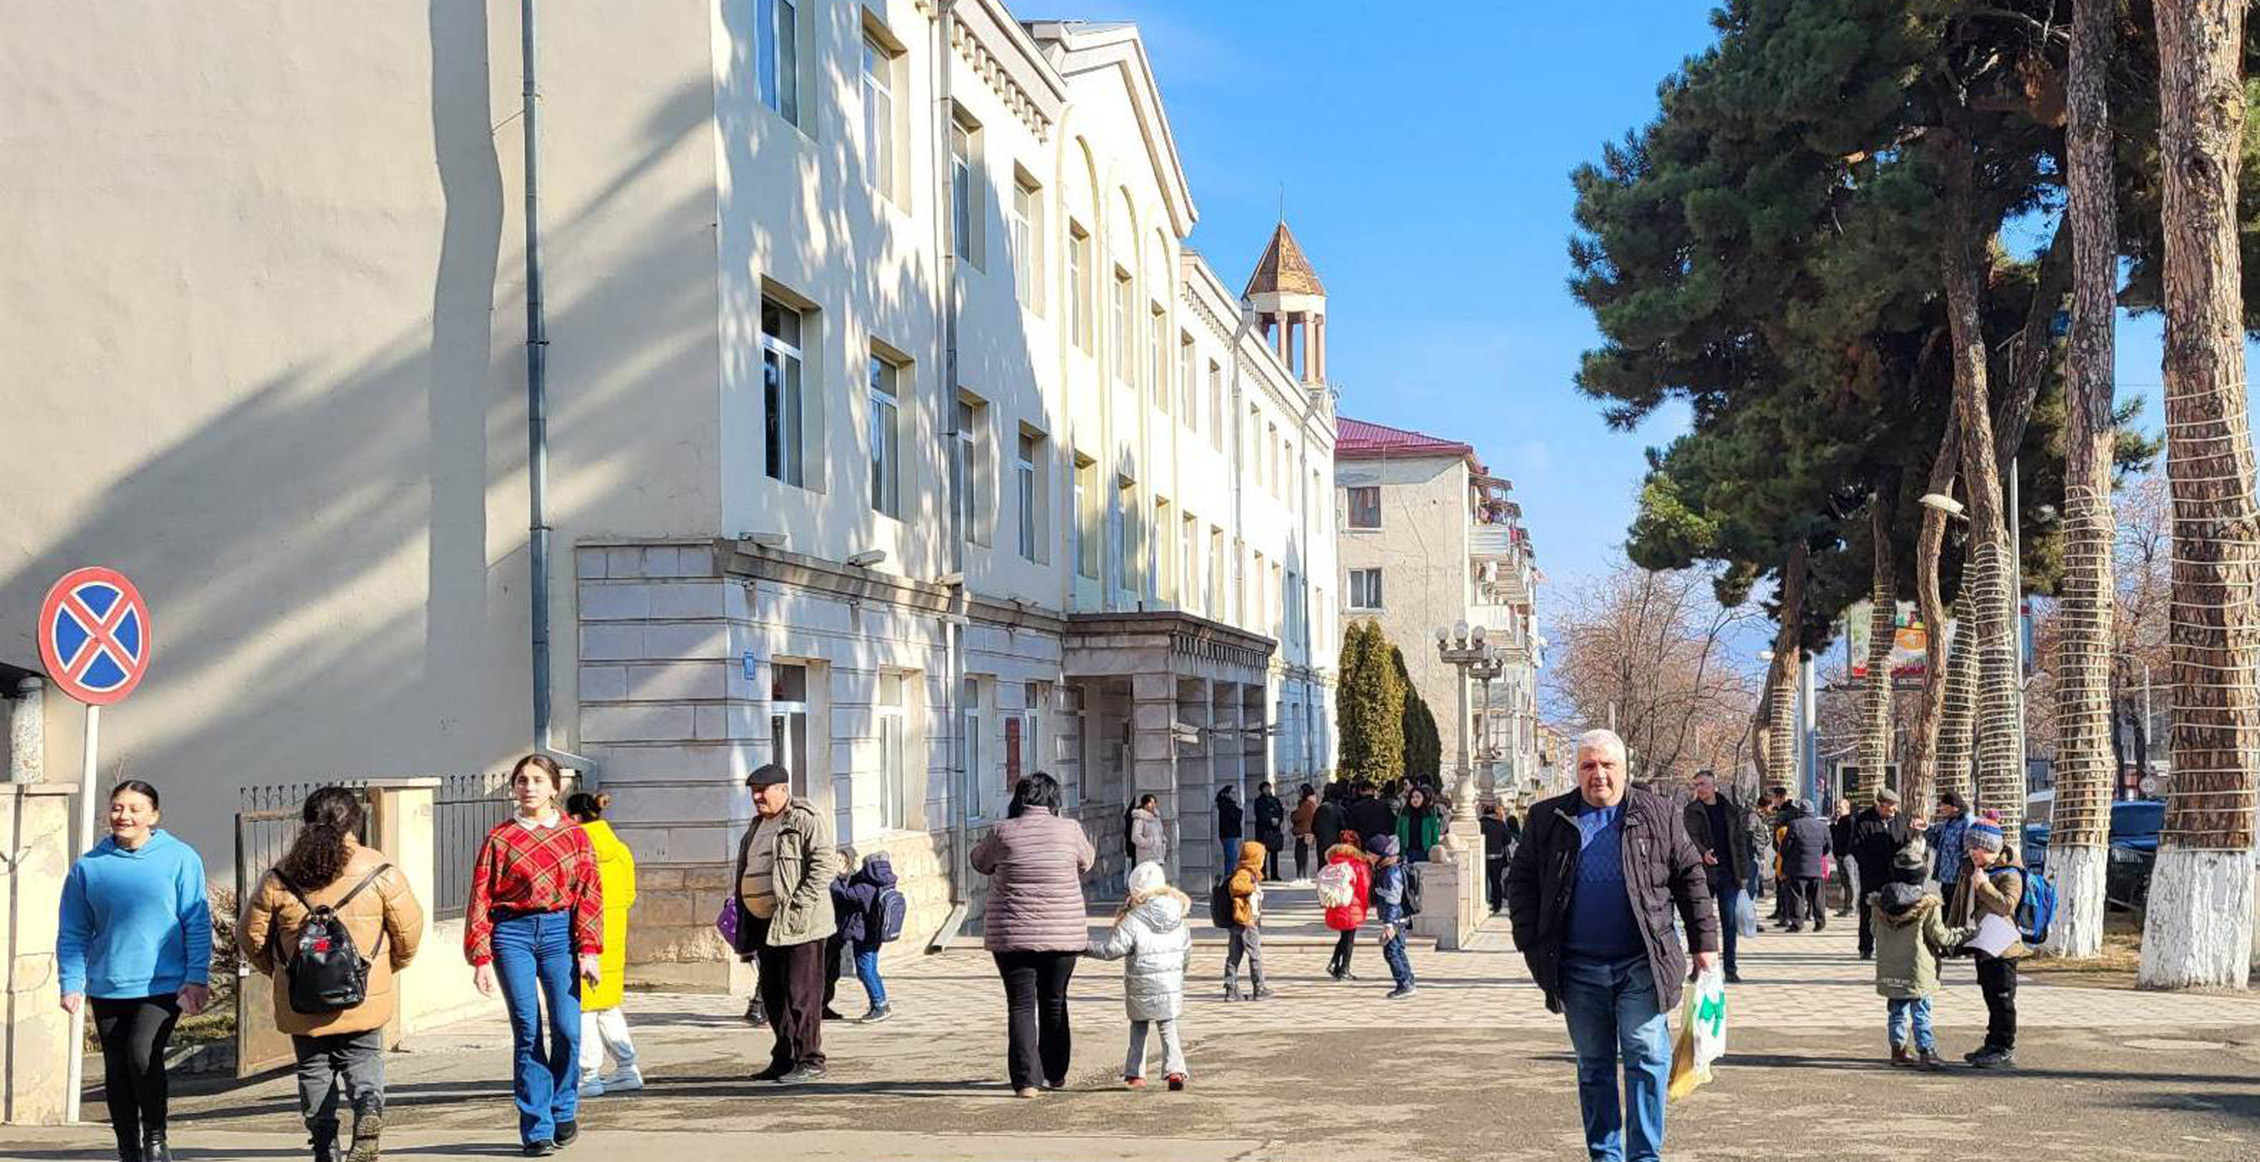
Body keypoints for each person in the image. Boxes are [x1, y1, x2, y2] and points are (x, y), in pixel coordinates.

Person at [1505, 729, 1718, 1162]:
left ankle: (1644, 1155)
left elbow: (1691, 878)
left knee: (1646, 1052)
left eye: (1607, 765)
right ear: (1577, 771)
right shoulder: (1548, 818)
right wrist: (1528, 941)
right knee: (1594, 1064)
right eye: (1588, 765)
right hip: (1576, 967)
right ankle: (1605, 1155)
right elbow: (1521, 882)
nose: (1598, 774)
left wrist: (1705, 943)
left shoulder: (1659, 813)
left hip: (1642, 962)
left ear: (1624, 769)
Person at [241, 786, 424, 1162]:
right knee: (363, 1057)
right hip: (362, 990)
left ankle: (324, 1141)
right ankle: (368, 1106)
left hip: (301, 994)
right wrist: (387, 967)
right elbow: (409, 931)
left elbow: (250, 935)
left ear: (306, 820)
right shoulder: (380, 870)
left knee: (313, 1067)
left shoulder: (280, 875)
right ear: (355, 821)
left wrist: (280, 970)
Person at [58, 781, 212, 1162]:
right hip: (108, 983)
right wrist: (71, 981)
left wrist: (196, 976)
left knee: (142, 1055)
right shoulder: (88, 867)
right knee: (117, 1066)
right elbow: (74, 931)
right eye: (117, 807)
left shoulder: (180, 858)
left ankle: (155, 1139)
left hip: (163, 982)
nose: (123, 816)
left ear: (153, 815)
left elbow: (196, 920)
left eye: (134, 809)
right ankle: (127, 1146)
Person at [464, 754, 603, 1156]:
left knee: (567, 1028)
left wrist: (589, 949)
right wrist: (481, 956)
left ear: (555, 787)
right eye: (522, 780)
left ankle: (563, 1107)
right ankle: (536, 1127)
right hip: (512, 934)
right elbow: (481, 896)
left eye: (538, 780)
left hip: (560, 934)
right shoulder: (500, 838)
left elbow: (590, 893)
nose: (529, 787)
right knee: (527, 1029)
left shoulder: (575, 836)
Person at [970, 772, 1096, 1098]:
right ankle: (1055, 1074)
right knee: (1055, 1001)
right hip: (1062, 933)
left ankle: (1027, 1082)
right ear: (1054, 799)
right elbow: (1087, 861)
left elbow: (979, 862)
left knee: (1020, 1006)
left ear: (1019, 799)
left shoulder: (1002, 831)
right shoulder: (1070, 829)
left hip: (1012, 935)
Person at [728, 763, 839, 1086]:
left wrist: (798, 903)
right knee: (773, 995)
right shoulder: (756, 826)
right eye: (754, 792)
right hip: (766, 924)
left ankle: (811, 1059)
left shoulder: (804, 819)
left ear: (783, 790)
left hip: (801, 924)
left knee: (801, 996)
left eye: (762, 791)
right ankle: (784, 1058)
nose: (757, 797)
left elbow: (823, 865)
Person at [1085, 861, 1192, 1091]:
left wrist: (1084, 946)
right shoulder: (1178, 916)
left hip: (1141, 983)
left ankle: (1135, 1074)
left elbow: (1111, 950)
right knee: (1168, 1026)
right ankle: (1175, 1071)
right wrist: (1180, 975)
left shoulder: (1133, 918)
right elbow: (1186, 952)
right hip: (1170, 982)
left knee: (1139, 1026)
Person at [565, 792, 641, 1097]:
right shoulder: (620, 849)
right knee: (607, 1005)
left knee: (584, 1008)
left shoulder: (575, 849)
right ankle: (627, 1068)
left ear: (574, 817)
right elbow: (629, 895)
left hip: (583, 936)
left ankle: (588, 1075)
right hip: (613, 934)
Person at [1871, 839, 1964, 1071]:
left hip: (1890, 967)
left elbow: (1873, 931)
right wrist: (1962, 935)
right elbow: (1939, 936)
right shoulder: (1928, 904)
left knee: (1897, 1010)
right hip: (1918, 968)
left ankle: (1898, 1050)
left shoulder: (1879, 903)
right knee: (1921, 1010)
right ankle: (1926, 1051)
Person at [1947, 812, 2028, 1069]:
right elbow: (1960, 904)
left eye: (1979, 848)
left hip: (2003, 947)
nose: (1973, 852)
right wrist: (1950, 934)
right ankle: (1992, 1043)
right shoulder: (1971, 869)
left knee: (2003, 998)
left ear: (1992, 849)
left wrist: (1983, 886)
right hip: (1983, 944)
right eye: (1971, 847)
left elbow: (2006, 906)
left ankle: (2005, 1048)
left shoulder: (2009, 874)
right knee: (1990, 996)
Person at [1681, 770, 1753, 982]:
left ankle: (1730, 968)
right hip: (1703, 875)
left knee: (1729, 922)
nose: (1699, 789)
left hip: (1728, 874)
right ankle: (1699, 967)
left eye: (1702, 784)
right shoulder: (1691, 811)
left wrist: (1743, 875)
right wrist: (1703, 853)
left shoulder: (1730, 810)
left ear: (1713, 786)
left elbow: (1740, 844)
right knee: (1700, 922)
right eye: (1696, 785)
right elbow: (1690, 838)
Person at [830, 851, 900, 1022]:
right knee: (871, 970)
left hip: (864, 937)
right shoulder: (883, 883)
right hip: (874, 934)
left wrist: (834, 878)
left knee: (865, 971)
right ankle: (880, 1004)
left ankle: (879, 1005)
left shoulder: (865, 887)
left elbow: (842, 895)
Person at [1850, 787, 1914, 960]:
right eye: (1890, 806)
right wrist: (1867, 864)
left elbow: (1906, 841)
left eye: (1895, 805)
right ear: (1880, 805)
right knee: (1868, 911)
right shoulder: (1864, 820)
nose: (1894, 809)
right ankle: (1866, 947)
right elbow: (1856, 847)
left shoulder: (1899, 819)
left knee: (1895, 911)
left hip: (1895, 875)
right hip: (1871, 875)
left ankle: (1893, 947)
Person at [1368, 834, 1417, 998]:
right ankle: (1408, 980)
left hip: (1395, 918)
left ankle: (1404, 984)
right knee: (1398, 949)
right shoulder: (1387, 869)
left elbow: (1393, 900)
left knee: (1391, 952)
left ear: (1381, 855)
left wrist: (1388, 924)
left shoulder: (1390, 873)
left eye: (1371, 854)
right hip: (1398, 917)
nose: (1368, 857)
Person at [1318, 830, 1371, 981]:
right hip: (1352, 905)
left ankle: (1335, 964)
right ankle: (1344, 969)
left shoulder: (1333, 862)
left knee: (1344, 935)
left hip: (1335, 903)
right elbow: (1364, 886)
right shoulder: (1358, 864)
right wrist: (1366, 904)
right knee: (1349, 938)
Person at [1221, 839, 1271, 1000]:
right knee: (1254, 954)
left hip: (1240, 920)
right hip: (1246, 921)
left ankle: (1231, 988)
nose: (1262, 862)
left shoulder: (1248, 873)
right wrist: (1252, 887)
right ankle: (1259, 987)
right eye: (1261, 858)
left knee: (1234, 956)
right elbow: (1235, 887)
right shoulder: (1243, 873)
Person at [1779, 799, 1832, 933]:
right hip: (1816, 867)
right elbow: (1828, 846)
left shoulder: (1794, 825)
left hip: (1798, 868)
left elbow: (1785, 847)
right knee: (1817, 897)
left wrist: (1787, 858)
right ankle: (1820, 922)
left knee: (1797, 896)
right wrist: (1818, 855)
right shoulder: (1822, 826)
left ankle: (1797, 923)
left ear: (1800, 811)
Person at [1925, 791, 1970, 892]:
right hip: (1946, 877)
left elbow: (1968, 850)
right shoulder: (1947, 823)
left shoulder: (1966, 823)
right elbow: (1939, 845)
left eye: (1944, 805)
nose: (1941, 808)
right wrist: (1926, 830)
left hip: (1958, 878)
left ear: (1955, 807)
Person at [1480, 803, 1514, 915]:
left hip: (1482, 857)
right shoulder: (1500, 824)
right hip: (1497, 856)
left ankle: (1484, 902)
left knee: (1482, 881)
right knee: (1496, 882)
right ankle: (1497, 905)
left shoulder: (1479, 824)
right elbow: (1508, 840)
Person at [1395, 785, 1443, 863]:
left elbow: (1434, 833)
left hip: (1425, 851)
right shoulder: (1404, 813)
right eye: (1412, 797)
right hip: (1408, 852)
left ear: (1423, 798)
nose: (1415, 799)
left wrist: (1434, 850)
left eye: (1418, 797)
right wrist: (1399, 853)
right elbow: (1398, 832)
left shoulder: (1430, 814)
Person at [1345, 780, 1396, 851]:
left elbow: (1351, 829)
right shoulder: (1383, 805)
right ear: (1373, 790)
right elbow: (1391, 825)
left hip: (1362, 846)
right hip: (1381, 845)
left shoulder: (1354, 808)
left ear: (1360, 791)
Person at [1829, 802, 1860, 917]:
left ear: (1847, 808)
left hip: (1848, 856)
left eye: (1840, 808)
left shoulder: (1851, 820)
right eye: (1837, 807)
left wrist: (1848, 853)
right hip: (1839, 855)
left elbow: (1852, 838)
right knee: (1845, 882)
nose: (1838, 810)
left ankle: (1852, 907)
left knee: (1851, 881)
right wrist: (1833, 824)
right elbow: (1834, 837)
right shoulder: (1840, 821)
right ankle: (1846, 906)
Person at [1253, 782, 1287, 881]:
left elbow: (1280, 811)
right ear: (1262, 789)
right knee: (1263, 853)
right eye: (1266, 788)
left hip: (1274, 830)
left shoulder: (1275, 800)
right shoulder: (1259, 801)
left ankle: (1274, 874)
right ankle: (1263, 874)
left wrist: (1278, 820)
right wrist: (1270, 819)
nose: (1268, 790)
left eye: (1269, 788)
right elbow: (1260, 814)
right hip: (1263, 830)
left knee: (1274, 852)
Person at [1127, 794, 1167, 871]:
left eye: (1154, 802)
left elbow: (1160, 833)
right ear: (1144, 804)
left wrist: (1163, 844)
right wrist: (1149, 842)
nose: (1152, 805)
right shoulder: (1140, 818)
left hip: (1158, 856)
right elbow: (1135, 836)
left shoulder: (1156, 818)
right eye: (1150, 803)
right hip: (1146, 857)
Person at [1290, 785, 1319, 881]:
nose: (1299, 793)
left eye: (1301, 791)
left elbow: (1298, 816)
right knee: (1303, 855)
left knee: (1300, 855)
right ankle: (1304, 876)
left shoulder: (1306, 804)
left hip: (1302, 831)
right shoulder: (1312, 803)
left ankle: (1301, 876)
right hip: (1307, 831)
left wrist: (1293, 814)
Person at [1214, 785, 1244, 856]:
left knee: (1233, 857)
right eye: (1232, 793)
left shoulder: (1228, 804)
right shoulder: (1226, 805)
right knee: (1231, 858)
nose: (1234, 795)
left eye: (1235, 793)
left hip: (1230, 834)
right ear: (1226, 794)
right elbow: (1236, 817)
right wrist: (1239, 809)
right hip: (1229, 834)